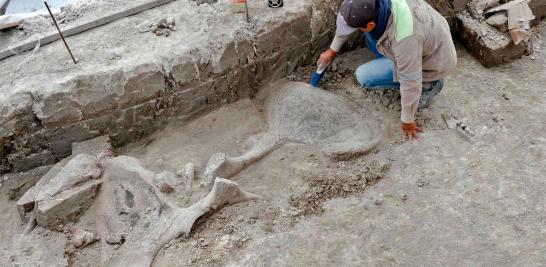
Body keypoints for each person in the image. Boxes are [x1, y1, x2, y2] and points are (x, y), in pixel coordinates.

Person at [318, 0, 457, 141]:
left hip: (433, 62)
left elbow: (411, 81)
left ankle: (431, 84)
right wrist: (332, 50)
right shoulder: (375, 6)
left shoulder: (405, 38)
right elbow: (349, 19)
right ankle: (388, 57)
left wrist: (407, 121)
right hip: (427, 38)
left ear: (372, 24)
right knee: (367, 32)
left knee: (364, 76)